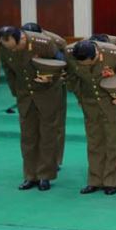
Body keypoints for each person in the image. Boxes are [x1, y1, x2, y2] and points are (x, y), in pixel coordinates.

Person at [0, 26, 64, 191]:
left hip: (47, 94)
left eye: (15, 47)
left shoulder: (43, 43)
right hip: (25, 96)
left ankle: (45, 176)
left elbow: (62, 61)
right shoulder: (4, 47)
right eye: (9, 48)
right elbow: (8, 69)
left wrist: (50, 76)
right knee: (28, 137)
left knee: (47, 136)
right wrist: (16, 93)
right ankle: (30, 176)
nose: (13, 50)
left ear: (23, 39)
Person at [66, 39, 116, 195]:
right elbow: (72, 78)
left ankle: (111, 181)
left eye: (90, 62)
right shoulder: (69, 54)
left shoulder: (114, 54)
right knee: (94, 141)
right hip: (90, 102)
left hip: (113, 101)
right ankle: (94, 180)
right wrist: (80, 98)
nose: (87, 66)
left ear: (96, 53)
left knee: (114, 141)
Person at [22, 22, 68, 170]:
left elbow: (64, 62)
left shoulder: (55, 41)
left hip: (54, 85)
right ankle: (36, 162)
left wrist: (52, 76)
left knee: (56, 125)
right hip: (33, 86)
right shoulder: (20, 40)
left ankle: (55, 160)